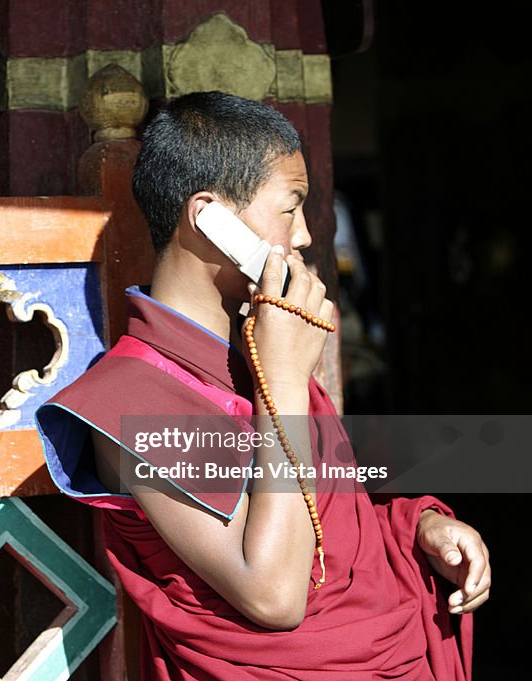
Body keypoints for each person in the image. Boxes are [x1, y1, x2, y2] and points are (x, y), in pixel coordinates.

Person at [35, 91, 489, 679]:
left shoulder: (261, 344)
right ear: (209, 218)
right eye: (289, 207)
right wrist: (282, 385)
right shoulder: (131, 398)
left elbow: (324, 521)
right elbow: (273, 595)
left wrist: (418, 528)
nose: (302, 236)